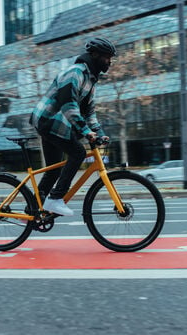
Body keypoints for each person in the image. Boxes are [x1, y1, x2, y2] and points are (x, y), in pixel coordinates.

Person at [30, 37, 116, 216]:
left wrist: (98, 132)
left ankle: (32, 212)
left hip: (59, 125)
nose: (110, 61)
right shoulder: (75, 73)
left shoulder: (91, 80)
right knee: (78, 153)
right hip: (49, 120)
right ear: (94, 55)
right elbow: (68, 105)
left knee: (54, 170)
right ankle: (54, 199)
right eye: (107, 57)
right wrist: (86, 132)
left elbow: (89, 111)